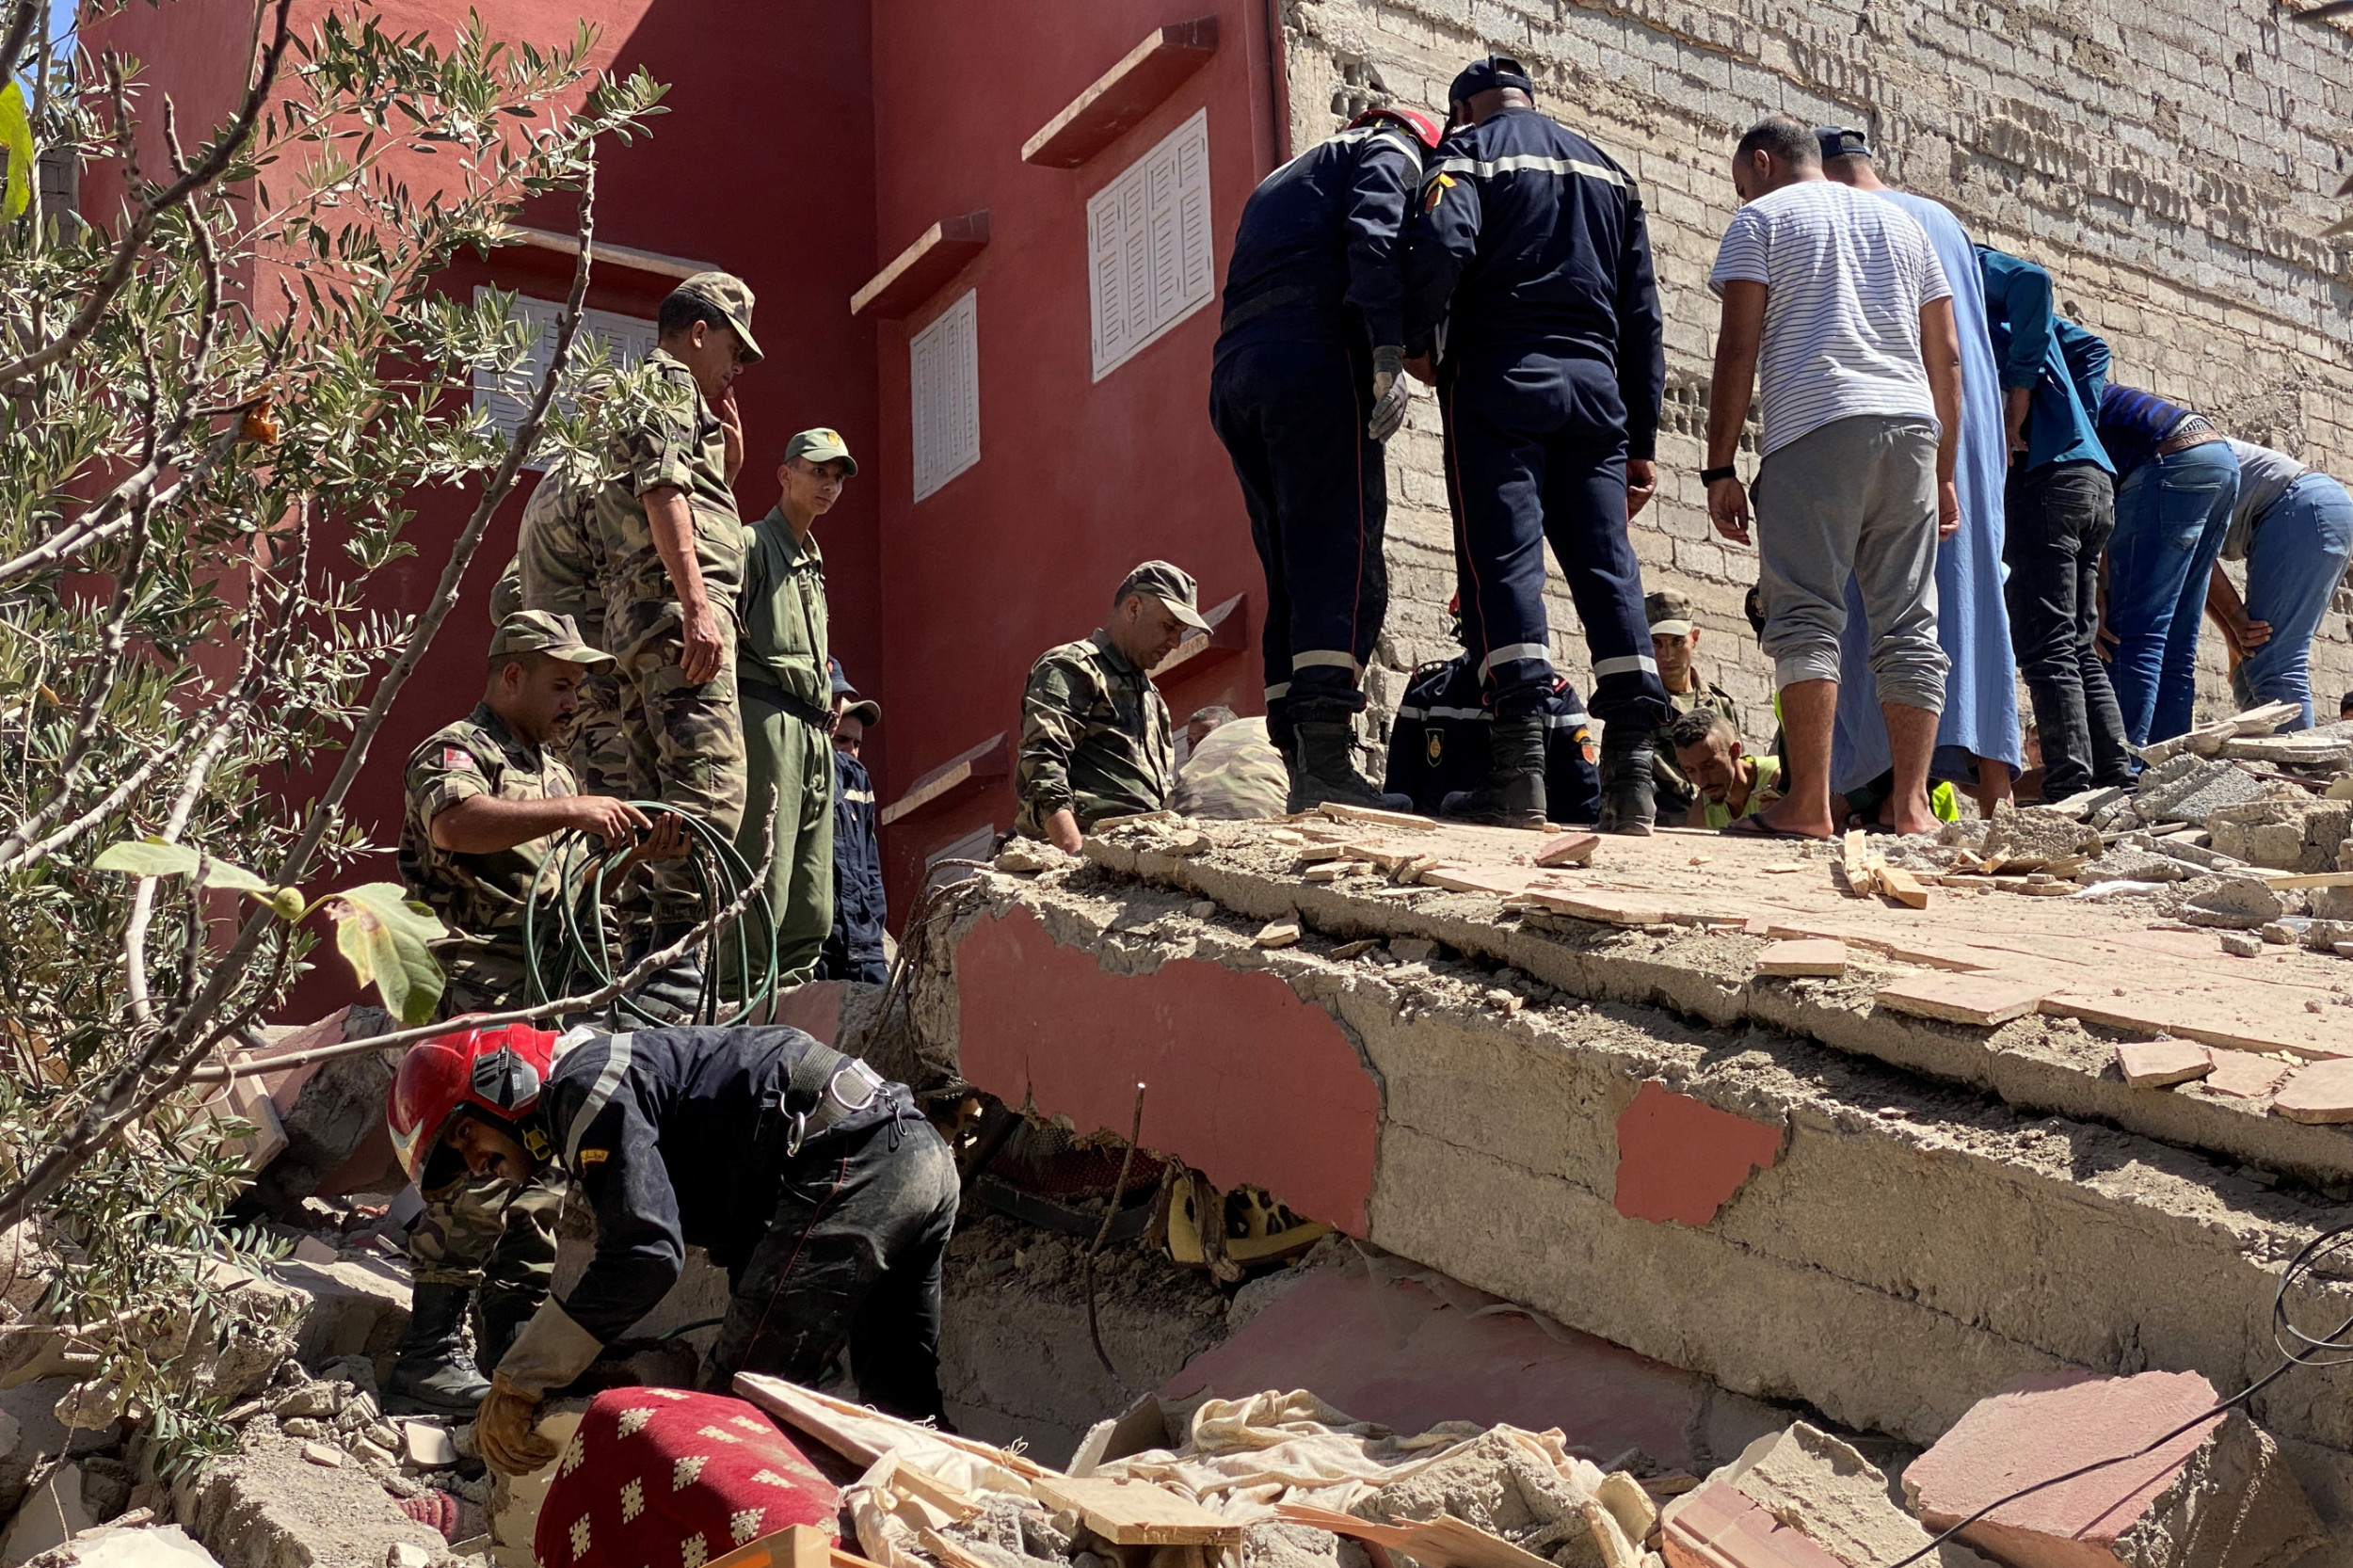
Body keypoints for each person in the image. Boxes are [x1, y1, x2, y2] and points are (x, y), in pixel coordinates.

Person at [385, 1020, 956, 1474]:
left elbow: (645, 1255)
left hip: (853, 1164)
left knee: (728, 1423)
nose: (477, 1162)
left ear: (501, 1079)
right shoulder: (623, 1077)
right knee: (902, 1415)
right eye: (461, 1162)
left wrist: (523, 1376)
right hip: (912, 1155)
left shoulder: (585, 1088)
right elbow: (751, 1236)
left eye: (465, 1136)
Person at [391, 611, 666, 1417]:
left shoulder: (551, 771)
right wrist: (576, 814)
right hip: (478, 986)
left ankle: (513, 1350)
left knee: (540, 1171)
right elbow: (453, 822)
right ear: (511, 675)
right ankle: (428, 1353)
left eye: (580, 686)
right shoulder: (456, 752)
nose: (574, 700)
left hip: (551, 988)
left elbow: (567, 894)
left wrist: (628, 858)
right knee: (477, 1163)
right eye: (560, 683)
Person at [1401, 56, 1669, 832]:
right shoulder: (1612, 173)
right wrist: (1641, 442)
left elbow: (1445, 244)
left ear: (1463, 110)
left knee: (1503, 562)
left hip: (1498, 379)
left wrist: (1415, 342)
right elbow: (1644, 319)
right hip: (1596, 395)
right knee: (1609, 569)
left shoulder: (1467, 156)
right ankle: (1632, 789)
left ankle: (1520, 784)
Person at [1703, 116, 1962, 840]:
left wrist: (1720, 464)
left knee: (1806, 615)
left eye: (1738, 181)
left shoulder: (1761, 220)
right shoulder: (1904, 227)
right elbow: (1944, 355)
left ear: (1761, 161)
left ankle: (1809, 805)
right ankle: (1911, 808)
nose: (1739, 194)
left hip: (1816, 426)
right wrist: (1943, 473)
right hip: (1911, 430)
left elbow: (1739, 345)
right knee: (1910, 621)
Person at [1211, 104, 1440, 810]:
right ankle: (1329, 758)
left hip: (1236, 375)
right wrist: (1384, 349)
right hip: (1314, 361)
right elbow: (1374, 233)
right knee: (1343, 564)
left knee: (1287, 565)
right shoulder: (1392, 149)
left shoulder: (1281, 179)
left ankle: (1296, 760)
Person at [1817, 128, 2023, 814]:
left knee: (1871, 602)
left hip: (1904, 421)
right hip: (1970, 429)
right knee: (1973, 602)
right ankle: (1996, 790)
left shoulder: (1856, 219)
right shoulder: (1946, 220)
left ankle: (1861, 791)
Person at [592, 271, 760, 953]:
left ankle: (642, 960)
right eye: (735, 349)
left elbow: (691, 489)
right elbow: (664, 490)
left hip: (645, 623)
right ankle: (676, 965)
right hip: (673, 622)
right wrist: (698, 607)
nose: (739, 367)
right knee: (710, 793)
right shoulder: (667, 384)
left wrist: (726, 440)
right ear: (698, 332)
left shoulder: (664, 395)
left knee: (654, 801)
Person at [1979, 246, 2129, 798]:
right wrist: (2076, 426)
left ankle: (2071, 785)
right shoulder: (2018, 327)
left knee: (2046, 645)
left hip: (2043, 479)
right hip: (2091, 478)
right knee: (2075, 643)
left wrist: (2022, 402)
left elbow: (2034, 278)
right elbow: (2093, 346)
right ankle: (2117, 777)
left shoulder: (1957, 269)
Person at [737, 427, 855, 986]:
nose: (829, 485)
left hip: (813, 728)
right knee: (767, 873)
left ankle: (792, 999)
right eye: (817, 472)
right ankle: (743, 1000)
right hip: (767, 718)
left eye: (836, 477)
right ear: (785, 474)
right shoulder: (753, 545)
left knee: (813, 896)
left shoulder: (813, 558)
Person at [1016, 562, 1204, 850]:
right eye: (1169, 626)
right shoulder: (1073, 667)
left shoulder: (1150, 695)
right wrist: (1072, 852)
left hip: (1141, 853)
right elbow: (1042, 762)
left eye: (1181, 632)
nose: (1176, 643)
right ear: (1133, 609)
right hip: (1087, 847)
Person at [2095, 383, 2238, 745]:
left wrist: (2089, 591)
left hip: (2166, 460)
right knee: (2175, 643)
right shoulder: (2085, 387)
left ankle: (2122, 770)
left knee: (2132, 634)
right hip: (2218, 458)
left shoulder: (2033, 407)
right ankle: (2165, 773)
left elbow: (2079, 508)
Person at [1385, 616, 1601, 824]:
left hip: (1525, 841)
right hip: (1438, 835)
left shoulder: (1554, 698)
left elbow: (1583, 804)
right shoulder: (1429, 690)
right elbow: (1399, 793)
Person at [2205, 440, 2353, 729]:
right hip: (2313, 510)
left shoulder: (2137, 464)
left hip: (2300, 509)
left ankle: (2297, 769)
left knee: (2273, 658)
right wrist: (2233, 635)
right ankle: (2267, 766)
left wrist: (2236, 620)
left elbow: (2195, 553)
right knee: (2249, 662)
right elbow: (2193, 571)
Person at [512, 455, 630, 794]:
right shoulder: (604, 481)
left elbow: (503, 598)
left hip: (557, 695)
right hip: (603, 695)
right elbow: (632, 583)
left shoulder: (552, 484)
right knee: (613, 832)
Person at [1642, 589, 1742, 822]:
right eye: (1656, 643)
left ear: (1694, 638)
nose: (1667, 655)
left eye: (1678, 642)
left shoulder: (1720, 703)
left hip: (1720, 823)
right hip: (1664, 827)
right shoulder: (1639, 706)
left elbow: (1736, 767)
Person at [819, 661, 887, 985]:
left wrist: (872, 930)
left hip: (863, 944)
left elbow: (870, 868)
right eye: (843, 740)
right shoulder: (808, 770)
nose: (852, 752)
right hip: (818, 944)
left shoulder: (859, 781)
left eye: (857, 744)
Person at [1667, 709, 1783, 829]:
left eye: (1709, 766)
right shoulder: (1702, 811)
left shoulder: (1779, 778)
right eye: (1690, 770)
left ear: (1734, 752)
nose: (1701, 781)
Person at [1173, 709, 1292, 820]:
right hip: (1265, 816)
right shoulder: (1274, 726)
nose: (1196, 746)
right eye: (1190, 741)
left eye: (1203, 737)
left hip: (1184, 824)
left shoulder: (1270, 731)